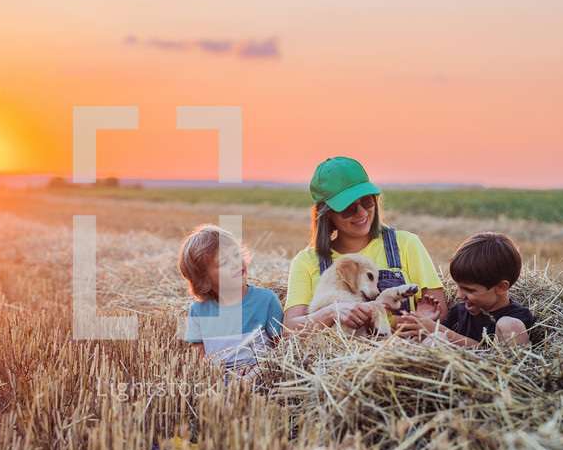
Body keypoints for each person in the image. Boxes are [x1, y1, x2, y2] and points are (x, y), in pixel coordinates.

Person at [284, 156, 447, 333]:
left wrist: (374, 317)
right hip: (341, 359)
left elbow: (439, 314)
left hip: (402, 354)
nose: (361, 213)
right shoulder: (305, 262)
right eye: (348, 208)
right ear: (327, 213)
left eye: (367, 201)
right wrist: (333, 311)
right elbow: (290, 329)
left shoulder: (406, 244)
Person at [179, 224, 284, 375]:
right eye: (223, 263)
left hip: (261, 379)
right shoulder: (198, 311)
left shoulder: (266, 300)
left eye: (236, 254)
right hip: (220, 384)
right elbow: (200, 363)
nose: (235, 263)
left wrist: (254, 373)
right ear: (203, 278)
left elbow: (281, 352)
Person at [398, 232, 534, 347]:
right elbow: (444, 344)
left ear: (501, 287)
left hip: (494, 377)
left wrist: (438, 329)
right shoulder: (458, 313)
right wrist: (428, 322)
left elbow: (489, 354)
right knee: (436, 338)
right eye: (458, 286)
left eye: (470, 290)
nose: (459, 295)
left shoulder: (516, 318)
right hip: (456, 376)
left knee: (509, 325)